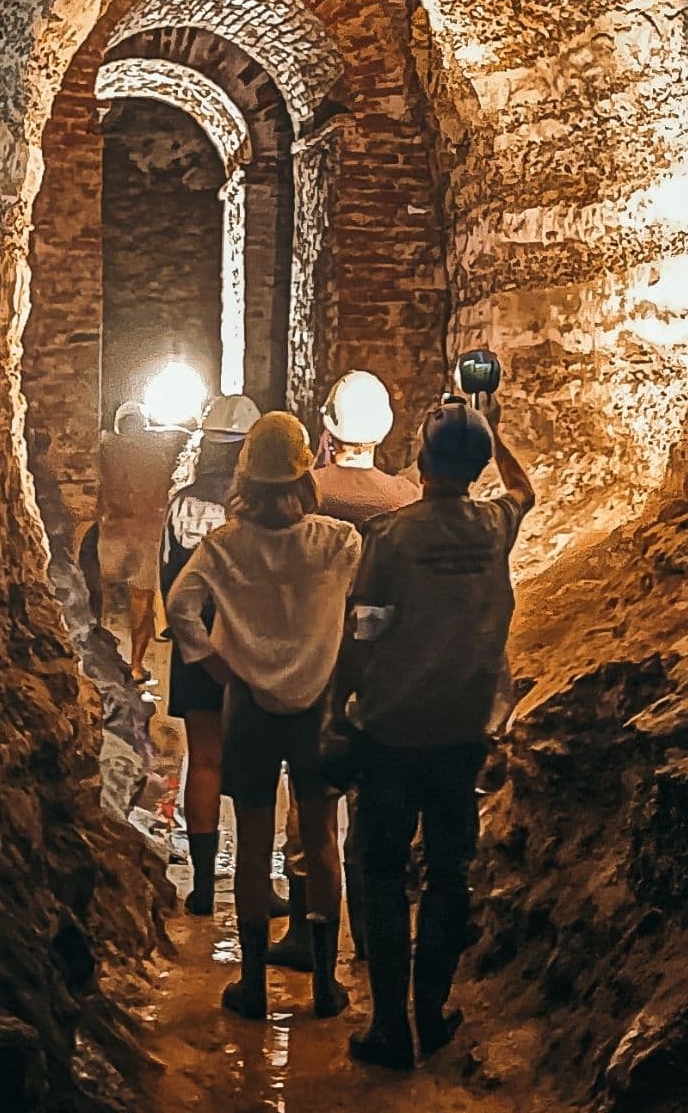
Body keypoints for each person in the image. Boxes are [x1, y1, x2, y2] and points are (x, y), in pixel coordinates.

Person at [340, 393, 536, 1070]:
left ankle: (389, 1026)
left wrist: (340, 704)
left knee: (384, 870)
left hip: (393, 729)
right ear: (477, 467)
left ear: (421, 463)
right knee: (449, 874)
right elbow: (524, 490)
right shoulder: (494, 526)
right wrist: (495, 434)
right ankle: (431, 1013)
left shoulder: (391, 537)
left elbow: (363, 629)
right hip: (463, 728)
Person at [164, 411, 361, 1021]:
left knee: (252, 842)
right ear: (305, 477)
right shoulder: (339, 542)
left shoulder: (224, 546)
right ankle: (325, 983)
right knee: (320, 839)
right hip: (318, 707)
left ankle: (252, 984)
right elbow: (362, 610)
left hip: (249, 706)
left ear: (246, 477)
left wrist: (216, 665)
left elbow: (180, 606)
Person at [268, 370, 421, 973]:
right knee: (372, 803)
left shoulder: (306, 492)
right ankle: (369, 938)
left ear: (326, 430)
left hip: (316, 661)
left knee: (311, 803)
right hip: (382, 668)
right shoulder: (404, 496)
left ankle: (308, 937)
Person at [157, 393, 260, 915]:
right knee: (256, 765)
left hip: (195, 644)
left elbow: (167, 576)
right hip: (251, 648)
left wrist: (192, 642)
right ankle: (254, 885)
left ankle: (202, 887)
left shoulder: (182, 504)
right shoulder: (261, 512)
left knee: (204, 759)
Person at [97, 401, 177, 686]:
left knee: (99, 594)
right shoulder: (159, 451)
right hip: (147, 535)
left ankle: (97, 656)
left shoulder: (105, 448)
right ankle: (135, 666)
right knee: (142, 600)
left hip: (113, 533)